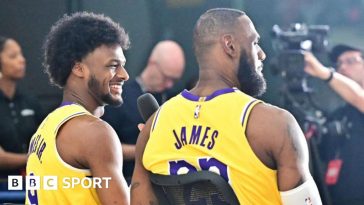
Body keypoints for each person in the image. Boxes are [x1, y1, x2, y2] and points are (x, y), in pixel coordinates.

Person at [131, 8, 322, 205]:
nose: (262, 54)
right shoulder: (275, 125)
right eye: (255, 43)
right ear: (230, 46)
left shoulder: (154, 127)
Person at [25, 12, 129, 204]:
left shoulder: (45, 128)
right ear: (79, 68)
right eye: (113, 65)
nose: (124, 75)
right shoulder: (95, 132)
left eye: (123, 65)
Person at [102, 40, 185, 183]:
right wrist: (145, 151)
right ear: (153, 63)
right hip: (128, 180)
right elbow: (103, 148)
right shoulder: (119, 96)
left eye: (174, 80)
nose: (169, 84)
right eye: (166, 77)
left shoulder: (175, 99)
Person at [304, 45, 364, 205]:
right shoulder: (338, 115)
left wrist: (325, 73)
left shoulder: (359, 101)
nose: (342, 67)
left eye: (351, 61)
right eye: (339, 64)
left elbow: (359, 97)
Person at [0, 36, 43, 178]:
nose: (22, 60)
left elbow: (48, 142)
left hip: (31, 185)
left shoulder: (30, 102)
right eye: (13, 56)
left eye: (21, 54)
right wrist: (33, 158)